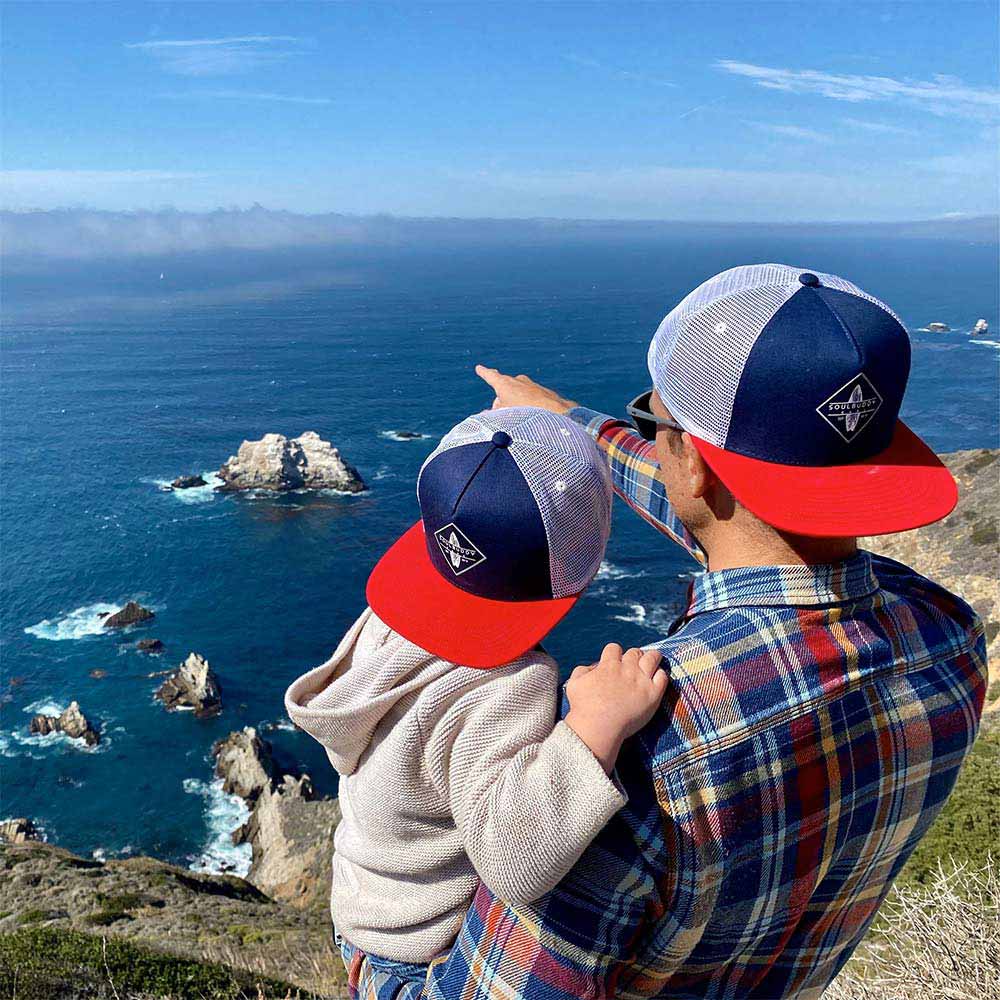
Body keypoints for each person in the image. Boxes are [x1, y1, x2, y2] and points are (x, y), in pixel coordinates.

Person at [349, 264, 988, 1000]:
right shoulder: (950, 635)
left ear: (692, 464)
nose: (650, 443)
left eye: (656, 426)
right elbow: (748, 517)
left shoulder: (644, 751)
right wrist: (574, 423)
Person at [284, 406, 669, 985]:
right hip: (418, 961)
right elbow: (514, 859)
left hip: (363, 917)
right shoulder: (504, 685)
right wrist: (597, 724)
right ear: (585, 564)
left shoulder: (386, 625)